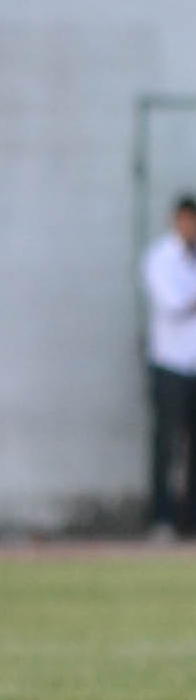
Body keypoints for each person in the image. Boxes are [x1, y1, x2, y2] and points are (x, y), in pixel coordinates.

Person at [143, 196, 196, 537]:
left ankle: (190, 520)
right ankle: (161, 518)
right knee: (166, 443)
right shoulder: (160, 258)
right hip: (170, 364)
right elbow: (173, 304)